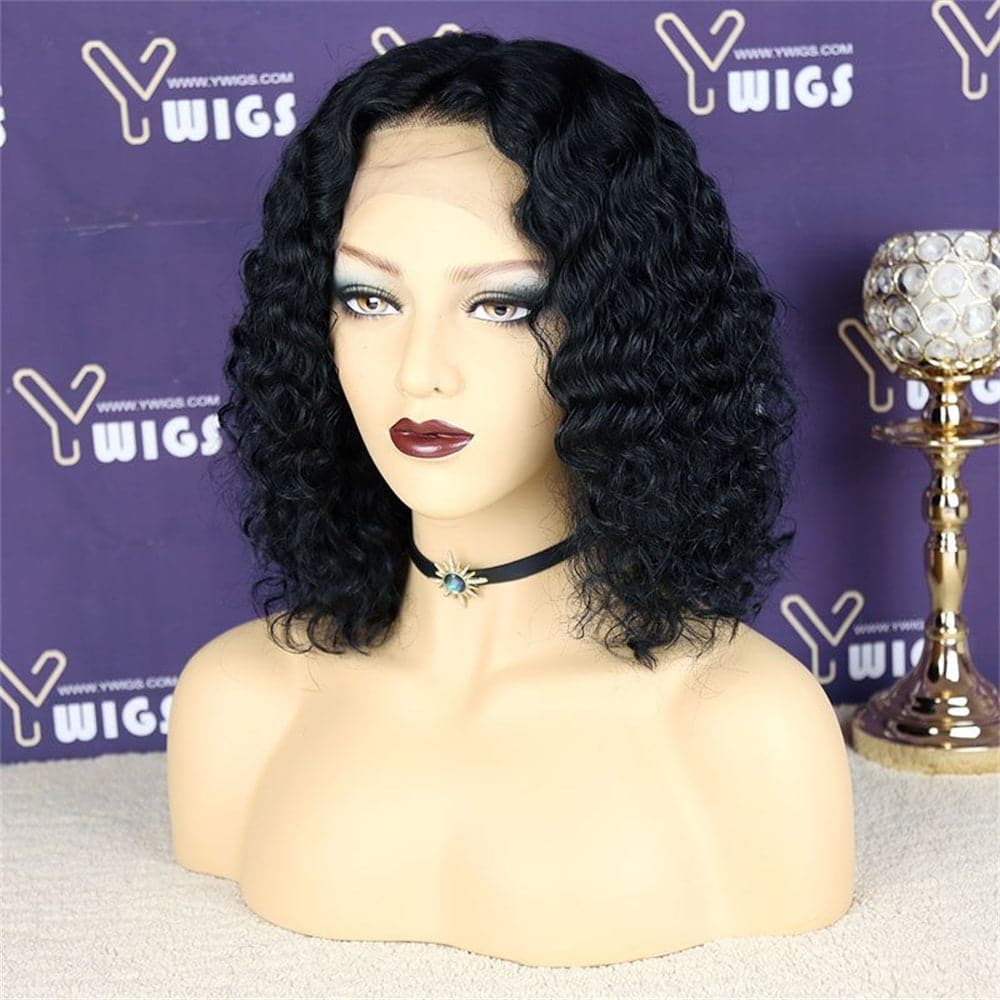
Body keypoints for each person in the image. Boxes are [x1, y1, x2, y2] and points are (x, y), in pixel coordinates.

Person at [167, 31, 855, 968]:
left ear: (621, 329)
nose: (420, 372)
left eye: (501, 305)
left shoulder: (745, 728)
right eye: (369, 298)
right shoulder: (238, 702)